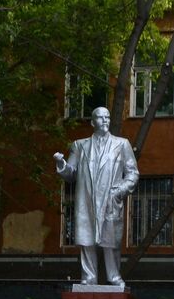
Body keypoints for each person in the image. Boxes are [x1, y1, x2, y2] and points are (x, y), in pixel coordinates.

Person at [53, 106, 139, 287]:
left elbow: (132, 173)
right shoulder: (80, 145)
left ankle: (114, 276)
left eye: (107, 117)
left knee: (110, 241)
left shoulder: (122, 144)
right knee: (87, 240)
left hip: (110, 198)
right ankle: (88, 277)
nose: (105, 120)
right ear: (93, 122)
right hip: (87, 198)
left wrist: (120, 191)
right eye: (100, 118)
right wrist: (61, 163)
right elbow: (71, 173)